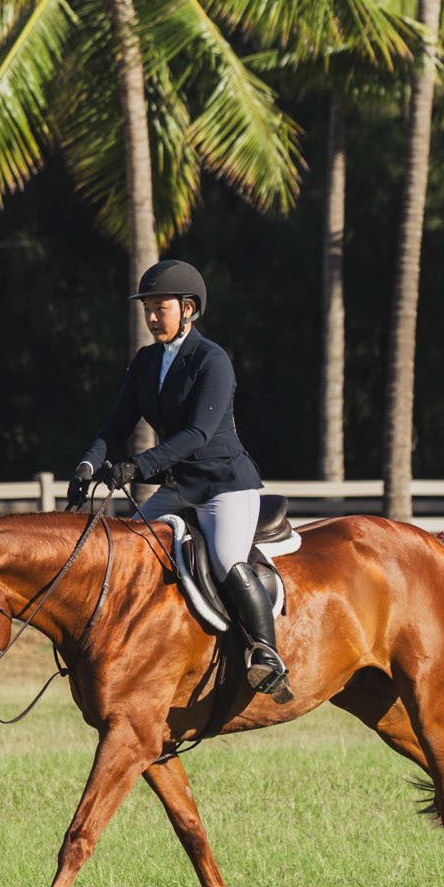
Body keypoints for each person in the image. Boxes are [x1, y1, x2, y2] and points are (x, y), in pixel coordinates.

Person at [68, 257, 291, 701]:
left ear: (187, 308)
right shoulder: (147, 362)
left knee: (227, 557)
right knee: (133, 547)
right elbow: (115, 424)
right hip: (180, 488)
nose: (152, 318)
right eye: (147, 309)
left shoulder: (213, 360)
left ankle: (268, 654)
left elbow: (198, 434)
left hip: (226, 484)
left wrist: (139, 466)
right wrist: (88, 465)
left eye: (160, 308)